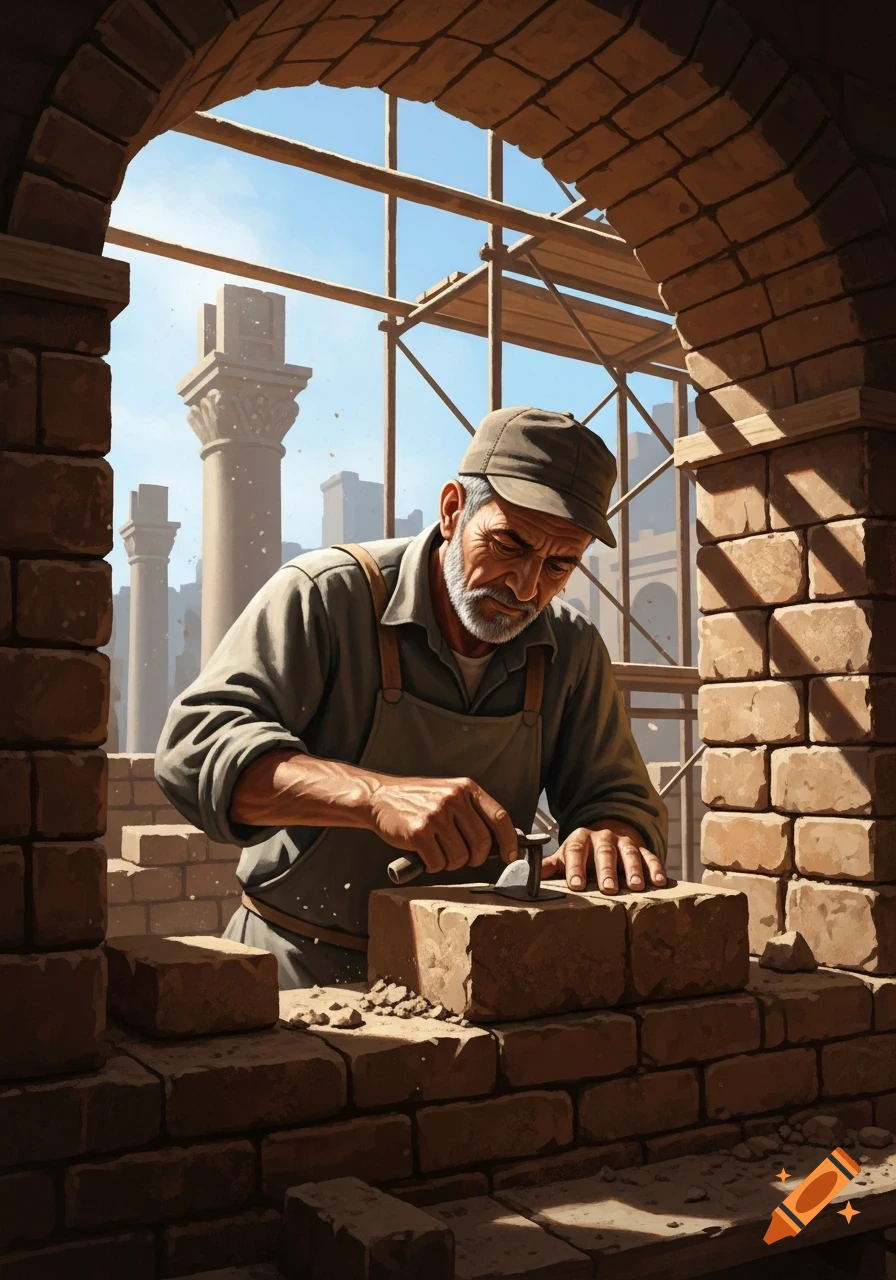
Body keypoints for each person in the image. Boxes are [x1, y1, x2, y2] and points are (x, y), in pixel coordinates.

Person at [155, 407, 668, 988]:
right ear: (453, 511)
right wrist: (373, 796)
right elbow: (191, 750)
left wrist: (612, 831)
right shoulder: (328, 595)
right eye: (508, 545)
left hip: (475, 979)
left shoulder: (569, 648)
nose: (526, 588)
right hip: (296, 970)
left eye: (558, 565)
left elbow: (618, 795)